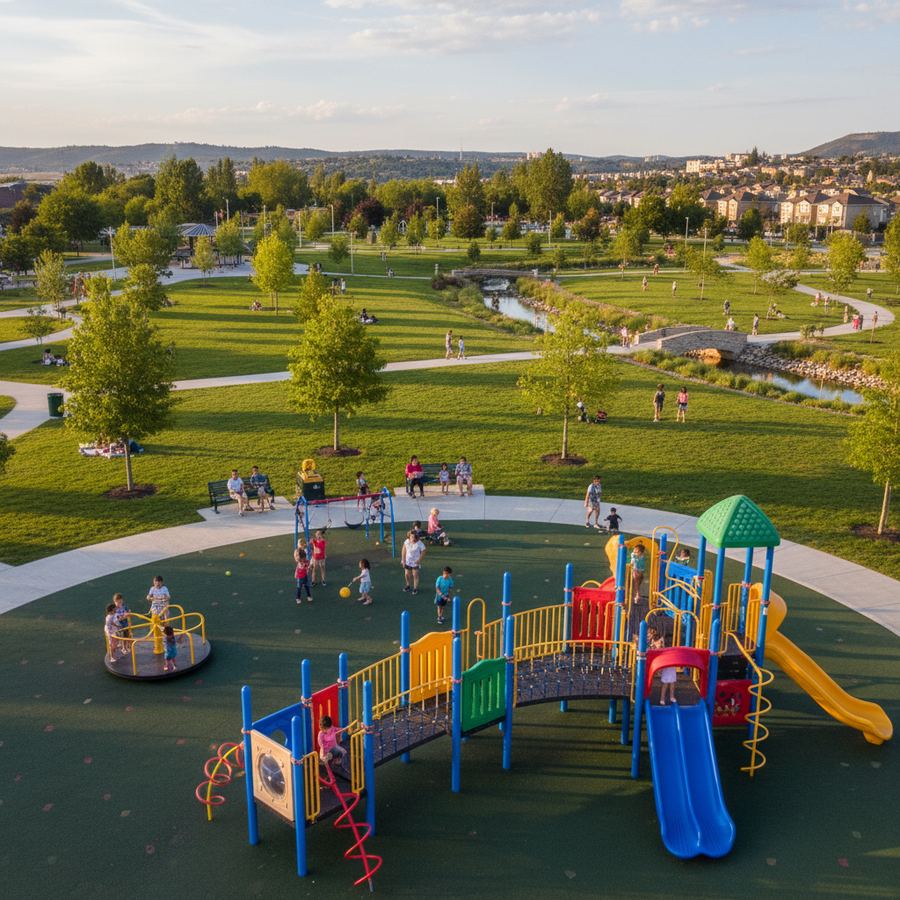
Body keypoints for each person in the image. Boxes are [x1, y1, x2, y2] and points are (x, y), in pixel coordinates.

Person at [649, 628, 676, 705]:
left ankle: (672, 696)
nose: (661, 643)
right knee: (665, 684)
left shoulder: (670, 648)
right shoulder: (659, 646)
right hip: (666, 666)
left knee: (672, 684)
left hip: (672, 666)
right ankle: (662, 699)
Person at [401, 529, 427, 594]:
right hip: (407, 561)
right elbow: (403, 551)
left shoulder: (419, 543)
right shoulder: (407, 541)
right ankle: (408, 585)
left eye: (413, 536)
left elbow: (424, 551)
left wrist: (419, 560)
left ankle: (415, 588)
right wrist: (403, 560)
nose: (412, 538)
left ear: (416, 536)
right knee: (407, 574)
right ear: (409, 536)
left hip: (415, 562)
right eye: (411, 536)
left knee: (415, 575)